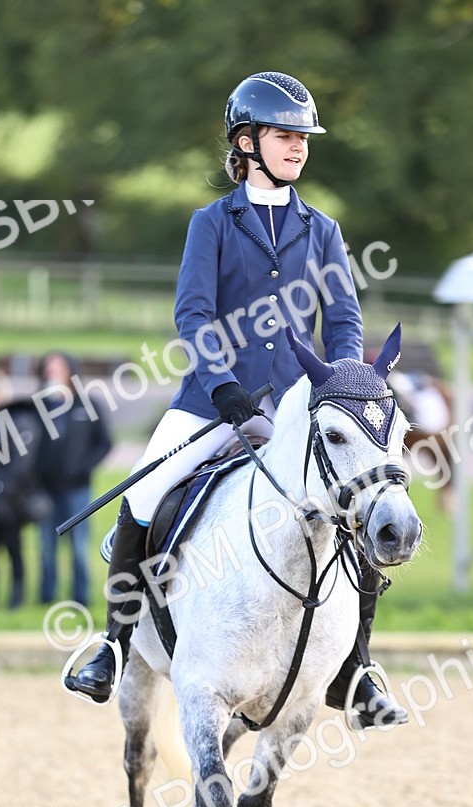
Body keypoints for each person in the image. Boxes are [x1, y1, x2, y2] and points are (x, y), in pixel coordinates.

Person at [68, 70, 406, 729]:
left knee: (359, 502)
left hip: (295, 410)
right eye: (285, 136)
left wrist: (340, 380)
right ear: (246, 143)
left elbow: (343, 321)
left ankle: (358, 668)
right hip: (209, 401)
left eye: (303, 137)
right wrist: (221, 385)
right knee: (140, 500)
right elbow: (194, 314)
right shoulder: (211, 224)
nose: (298, 146)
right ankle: (112, 646)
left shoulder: (324, 230)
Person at [0, 370, 52, 608]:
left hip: (9, 504)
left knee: (14, 552)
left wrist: (0, 487)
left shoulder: (17, 421)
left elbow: (22, 462)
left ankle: (16, 600)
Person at [36, 352, 112, 605]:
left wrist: (84, 467)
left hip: (78, 489)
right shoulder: (40, 407)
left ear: (70, 371)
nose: (52, 373)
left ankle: (81, 597)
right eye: (49, 368)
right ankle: (46, 596)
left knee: (79, 546)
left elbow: (104, 443)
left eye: (58, 367)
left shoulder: (86, 404)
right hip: (45, 488)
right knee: (47, 546)